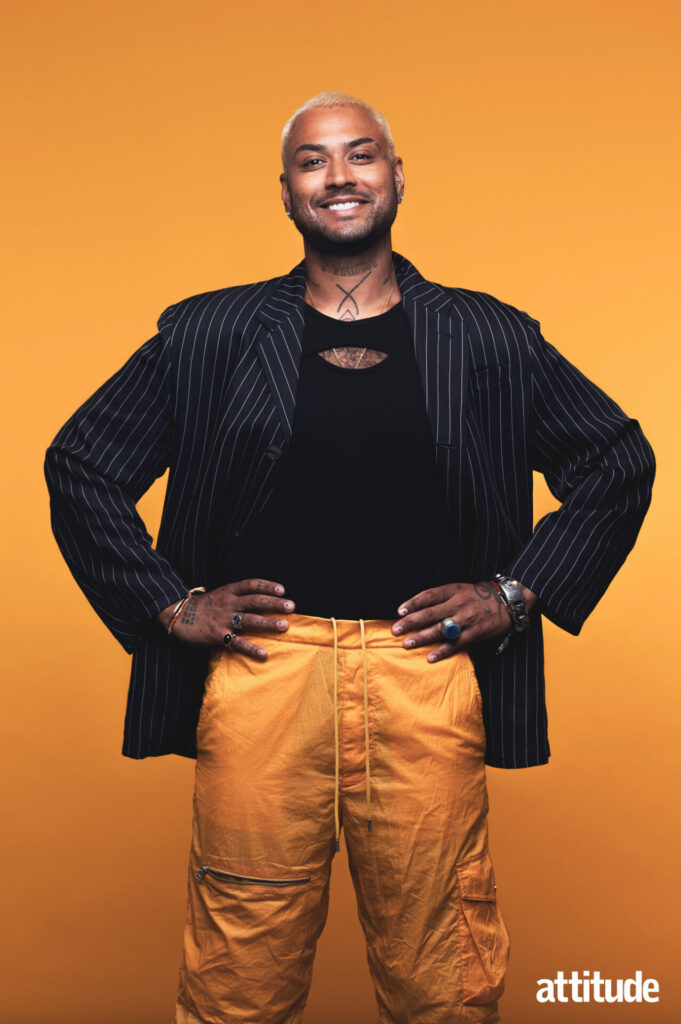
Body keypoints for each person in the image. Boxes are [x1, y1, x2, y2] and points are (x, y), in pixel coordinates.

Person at [44, 91, 655, 1024]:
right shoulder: (208, 335)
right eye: (313, 161)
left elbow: (617, 460)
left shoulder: (486, 336)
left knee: (443, 968)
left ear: (397, 177)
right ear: (286, 192)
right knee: (237, 974)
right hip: (261, 673)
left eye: (361, 156)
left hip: (426, 671)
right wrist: (173, 606)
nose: (339, 176)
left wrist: (515, 590)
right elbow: (80, 464)